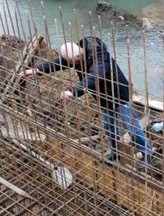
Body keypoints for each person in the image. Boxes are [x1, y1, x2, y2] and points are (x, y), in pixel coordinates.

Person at [24, 37, 153, 167]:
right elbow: (59, 63)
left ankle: (146, 151)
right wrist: (38, 70)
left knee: (130, 126)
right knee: (109, 126)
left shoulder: (100, 57)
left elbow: (94, 77)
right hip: (103, 96)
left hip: (119, 94)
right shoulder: (79, 55)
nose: (72, 64)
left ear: (79, 55)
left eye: (73, 62)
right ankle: (116, 151)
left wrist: (73, 91)